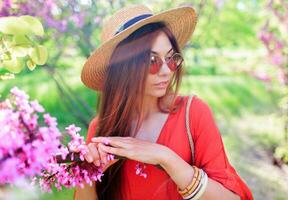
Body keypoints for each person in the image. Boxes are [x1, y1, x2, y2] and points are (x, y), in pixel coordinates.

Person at [74, 4, 253, 200]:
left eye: (171, 58)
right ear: (123, 69)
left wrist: (166, 157)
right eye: (152, 61)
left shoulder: (193, 113)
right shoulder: (101, 128)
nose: (167, 70)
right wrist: (86, 173)